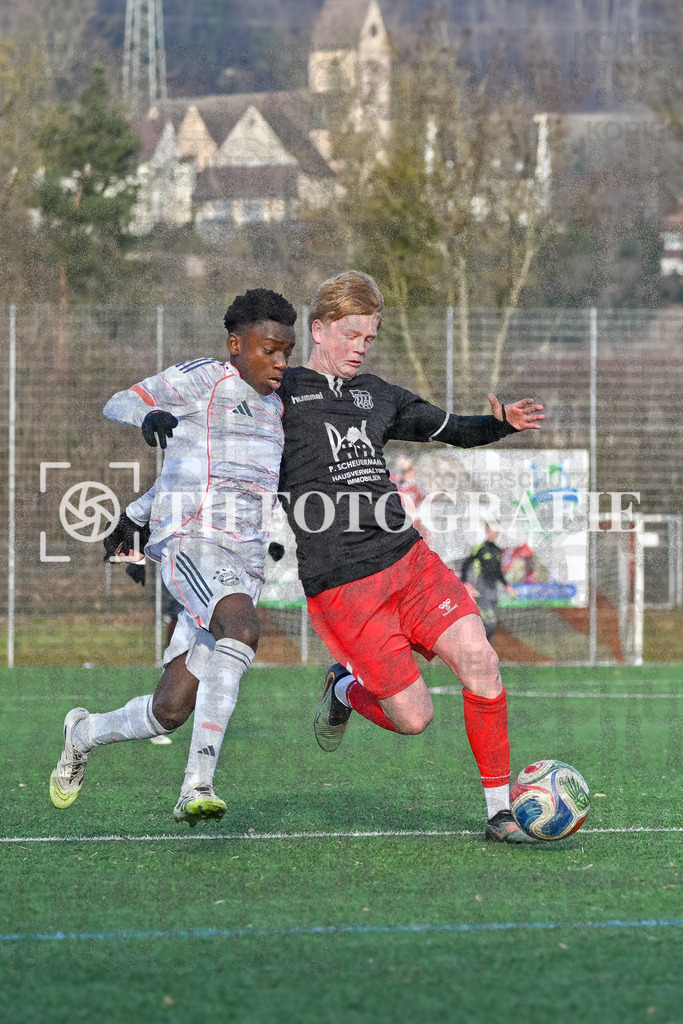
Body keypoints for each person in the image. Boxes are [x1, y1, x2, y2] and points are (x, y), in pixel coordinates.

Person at [277, 271, 544, 843]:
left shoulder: (378, 395)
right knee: (414, 718)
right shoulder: (279, 392)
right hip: (343, 583)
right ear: (318, 330)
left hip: (408, 560)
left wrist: (500, 425)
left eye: (368, 338)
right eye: (350, 334)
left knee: (482, 664)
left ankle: (499, 811)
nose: (359, 347)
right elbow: (217, 426)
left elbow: (450, 428)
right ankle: (343, 689)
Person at [49, 288, 297, 826]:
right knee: (242, 628)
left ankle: (84, 732)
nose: (280, 361)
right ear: (236, 344)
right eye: (269, 349)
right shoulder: (206, 379)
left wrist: (139, 507)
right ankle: (197, 785)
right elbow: (122, 400)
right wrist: (150, 414)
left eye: (286, 351)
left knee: (170, 711)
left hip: (245, 559)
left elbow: (197, 471)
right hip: (193, 542)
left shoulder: (279, 407)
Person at [460, 521, 513, 645]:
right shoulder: (479, 548)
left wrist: (507, 585)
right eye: (491, 529)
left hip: (493, 590)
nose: (494, 533)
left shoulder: (498, 550)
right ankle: (477, 648)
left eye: (496, 530)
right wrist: (466, 583)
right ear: (486, 531)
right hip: (481, 591)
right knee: (488, 623)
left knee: (492, 624)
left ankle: (485, 652)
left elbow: (498, 571)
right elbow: (465, 566)